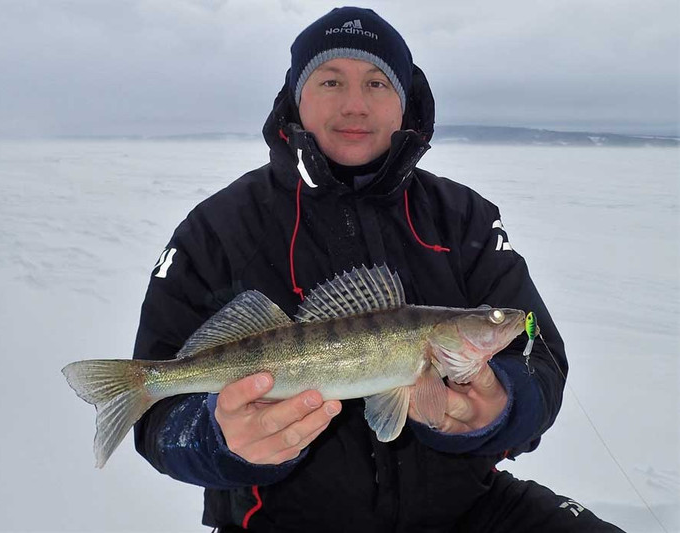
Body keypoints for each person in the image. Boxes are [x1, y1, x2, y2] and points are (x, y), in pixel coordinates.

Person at [133, 7, 623, 532]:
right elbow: (156, 420)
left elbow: (538, 353)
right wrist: (219, 437)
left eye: (377, 82)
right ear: (297, 97)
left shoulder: (465, 218)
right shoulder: (217, 228)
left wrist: (497, 406)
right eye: (330, 80)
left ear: (404, 102)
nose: (354, 104)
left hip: (471, 510)